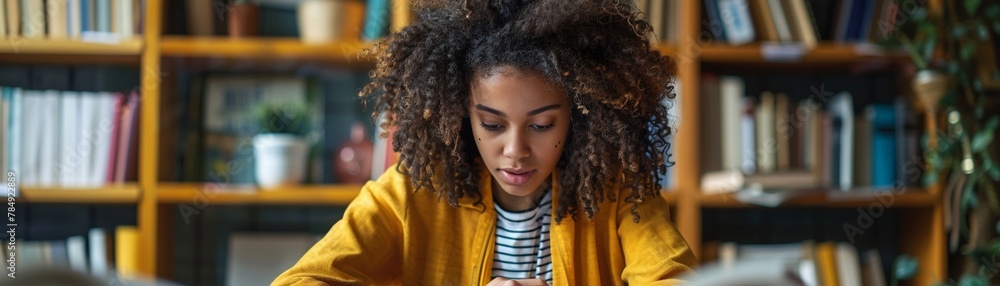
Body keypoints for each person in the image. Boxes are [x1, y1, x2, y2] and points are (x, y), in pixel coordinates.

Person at [272, 0, 697, 284]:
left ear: (581, 115)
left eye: (542, 125)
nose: (515, 151)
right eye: (492, 125)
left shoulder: (617, 192)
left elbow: (672, 276)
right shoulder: (412, 191)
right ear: (463, 112)